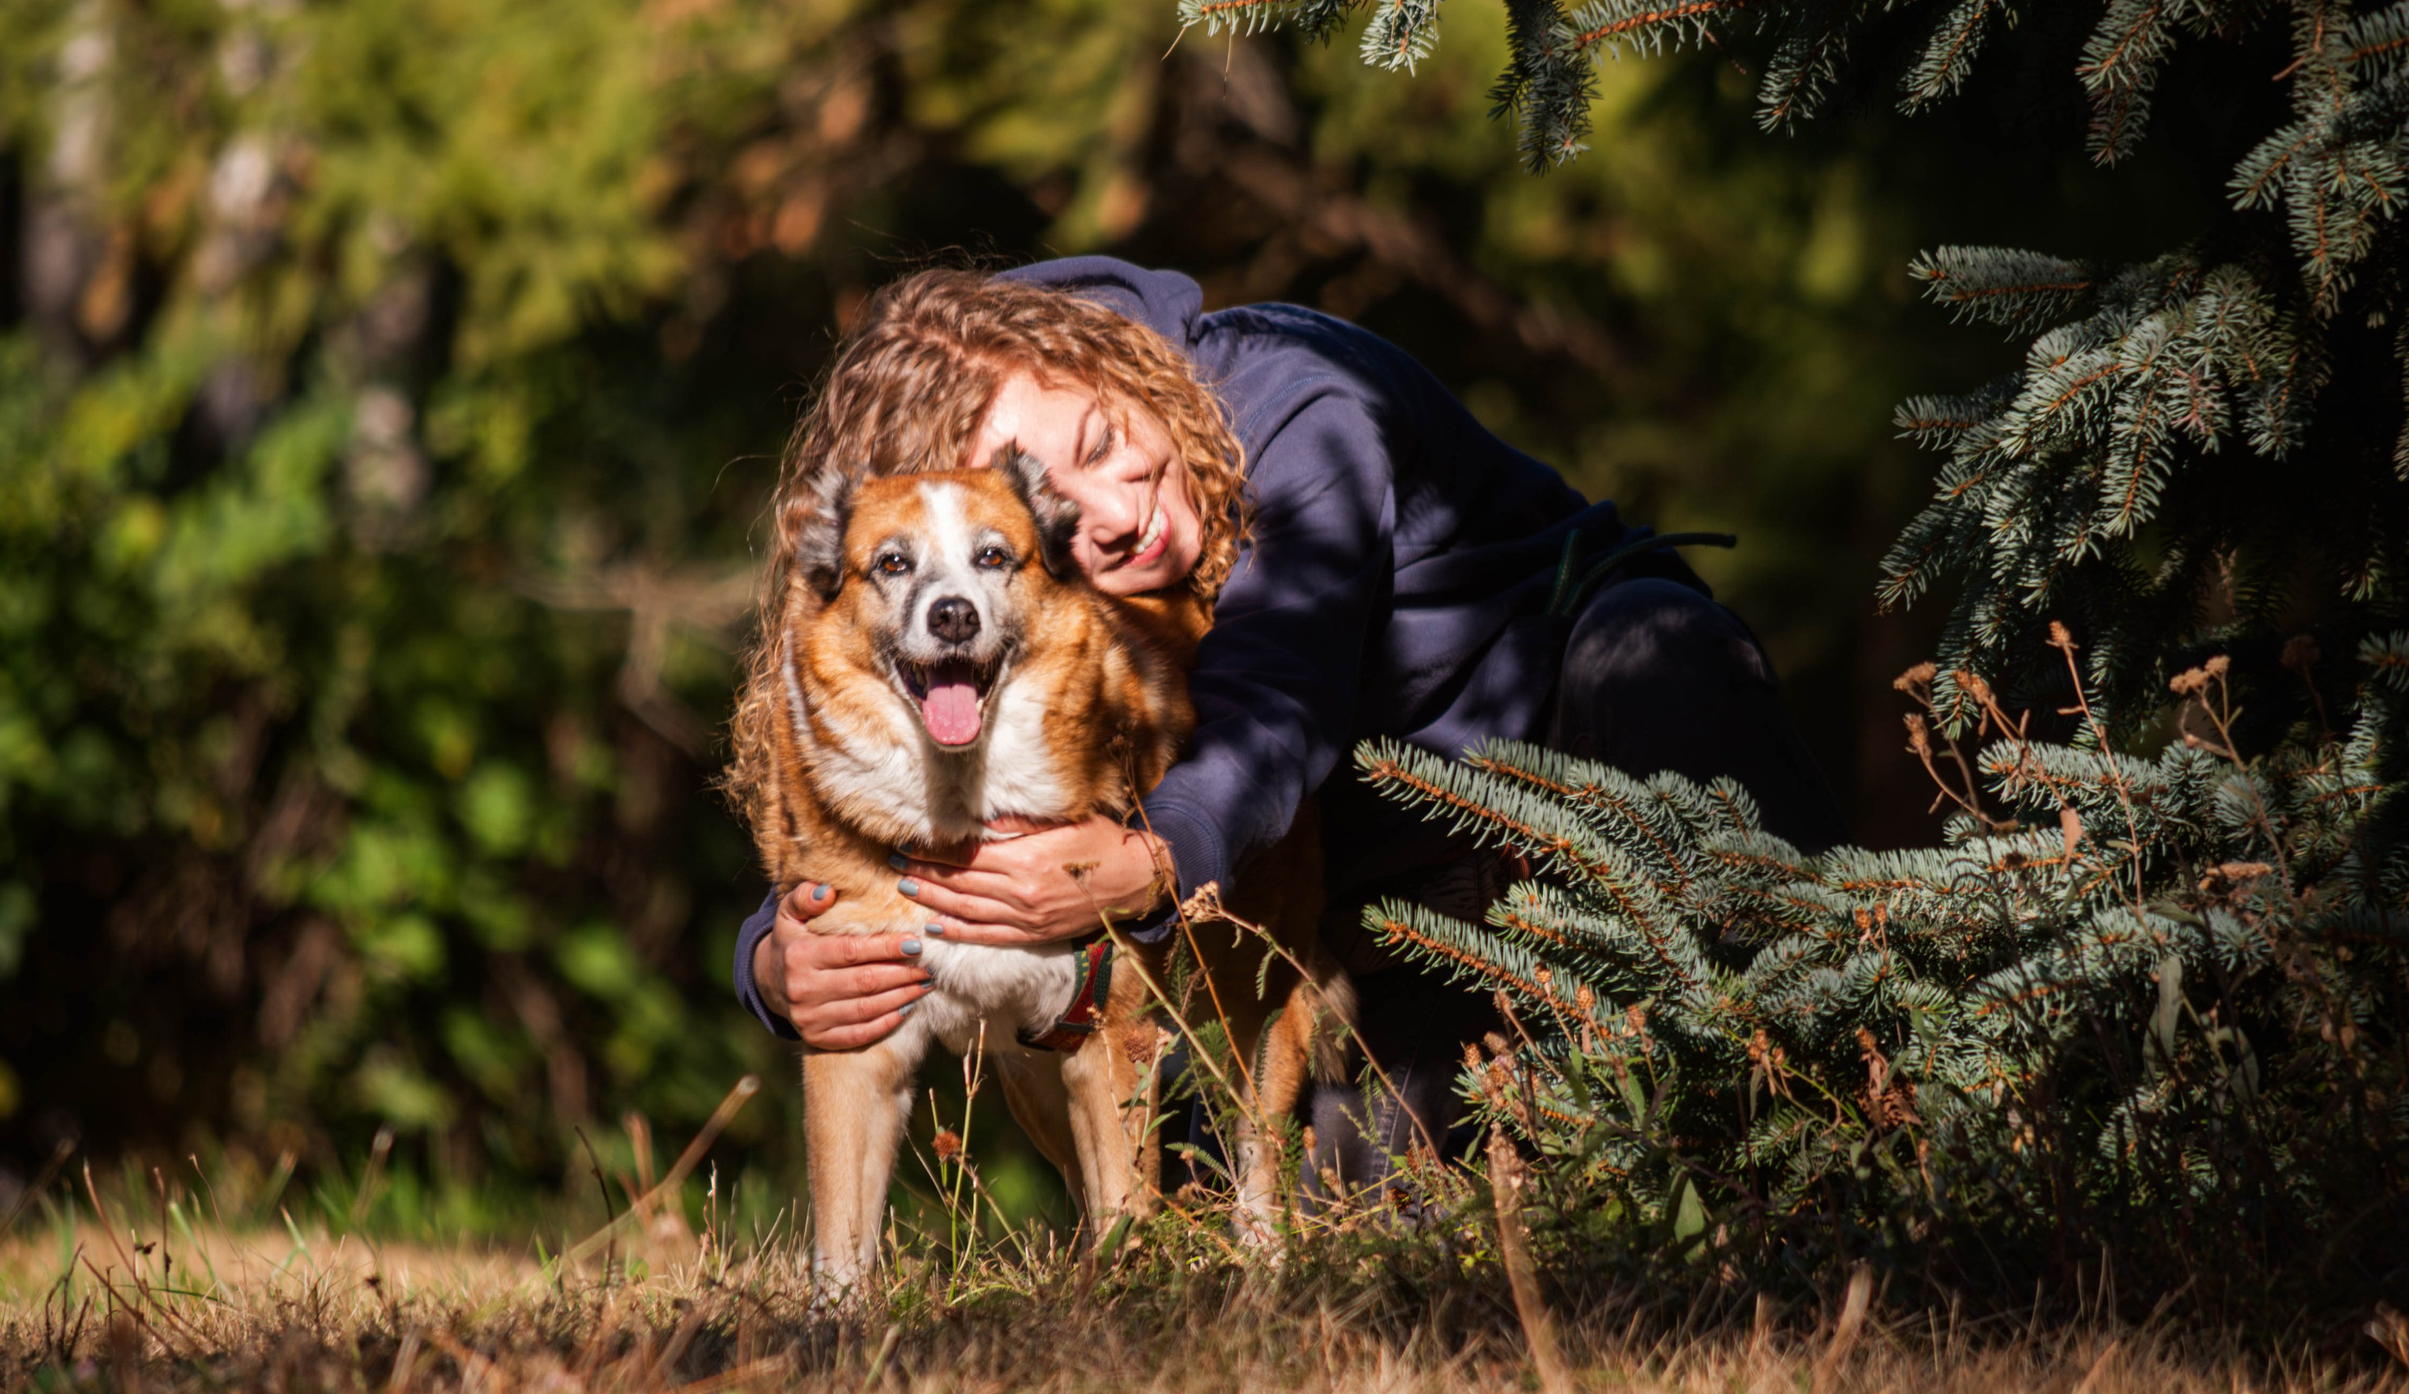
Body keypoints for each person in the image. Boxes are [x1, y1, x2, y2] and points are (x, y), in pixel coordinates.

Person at [725, 258, 1841, 1189]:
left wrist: (1154, 860)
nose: (1115, 514)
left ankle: (1830, 1101)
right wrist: (780, 956)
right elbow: (879, 742)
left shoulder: (1305, 402)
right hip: (1389, 916)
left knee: (1657, 649)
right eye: (1058, 505)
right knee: (1355, 1192)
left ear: (1117, 362)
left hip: (1574, 761)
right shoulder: (1013, 593)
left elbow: (1275, 688)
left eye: (1108, 439)